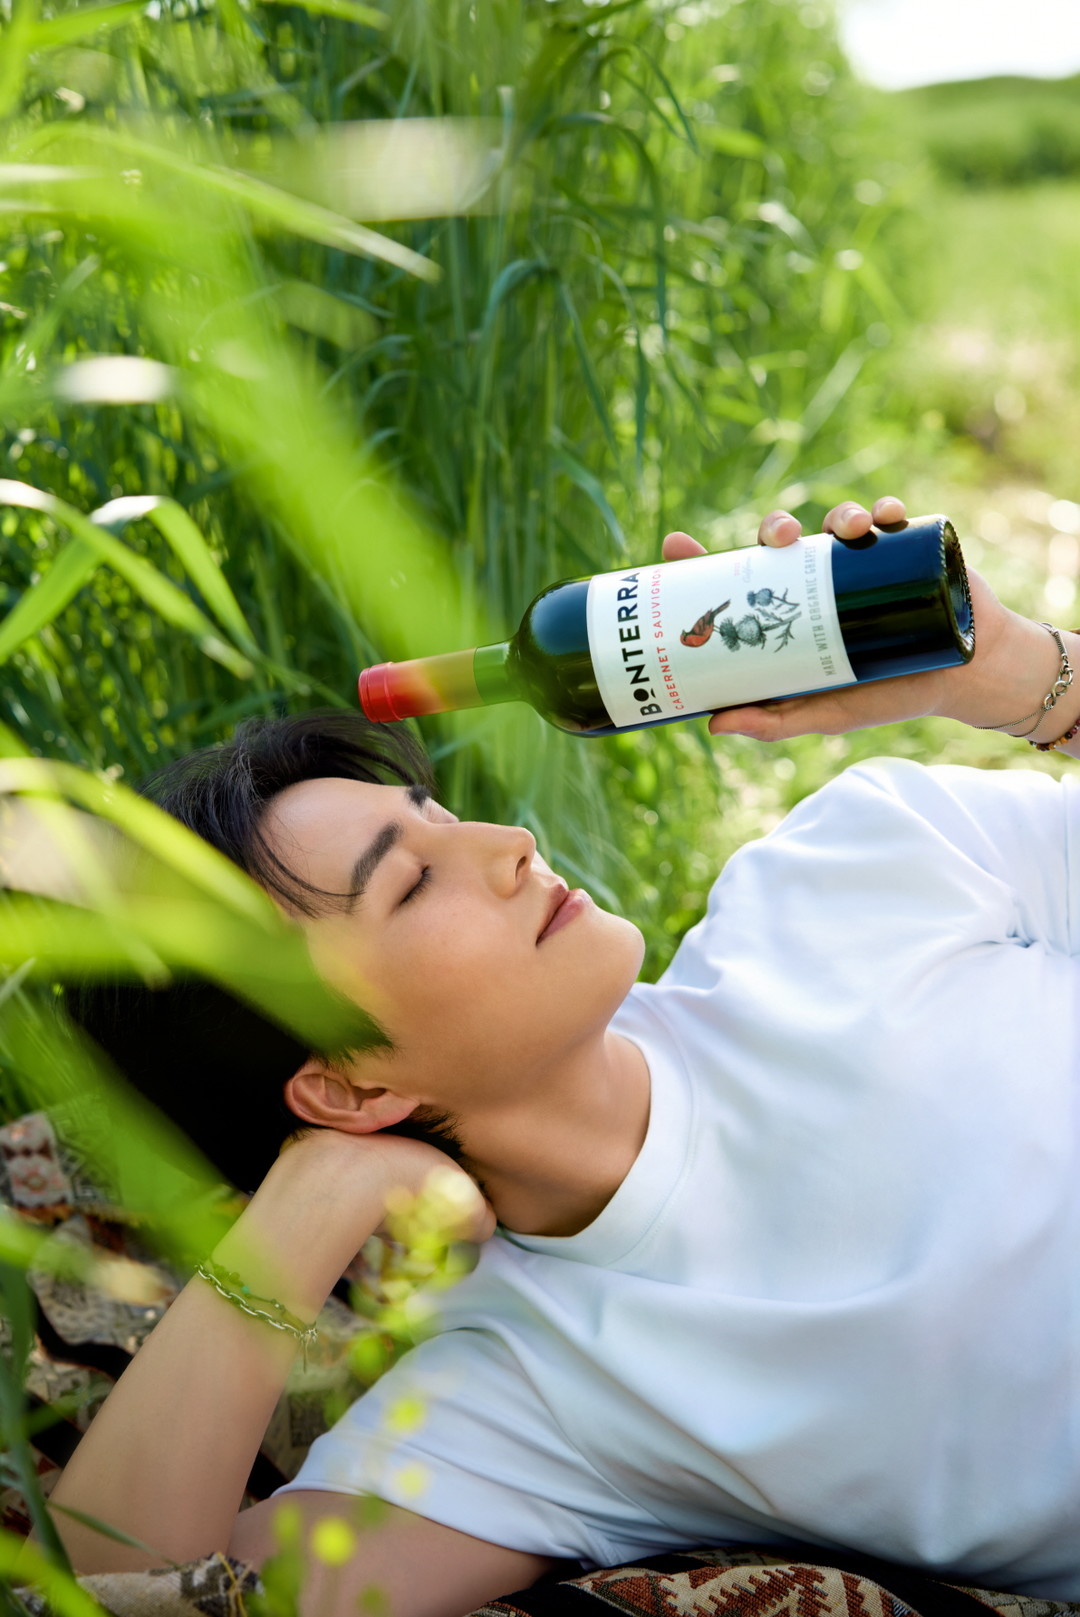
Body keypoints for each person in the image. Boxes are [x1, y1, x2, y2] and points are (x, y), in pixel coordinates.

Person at [47, 495, 1080, 1617]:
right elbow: (124, 1592)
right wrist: (312, 1201)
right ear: (345, 1086)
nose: (509, 845)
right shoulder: (528, 1400)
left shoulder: (865, 863)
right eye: (411, 881)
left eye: (440, 813)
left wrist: (1017, 675)